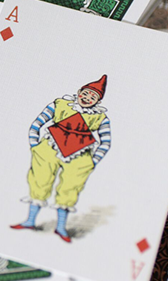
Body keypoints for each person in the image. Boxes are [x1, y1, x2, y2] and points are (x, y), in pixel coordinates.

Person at [11, 74, 111, 243]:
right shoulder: (60, 104)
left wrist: (93, 161)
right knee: (39, 180)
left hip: (79, 155)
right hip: (49, 148)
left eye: (93, 97)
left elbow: (106, 141)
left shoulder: (100, 117)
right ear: (79, 92)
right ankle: (30, 220)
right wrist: (35, 144)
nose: (87, 98)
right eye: (86, 93)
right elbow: (38, 122)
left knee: (71, 187)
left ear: (98, 101)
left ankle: (61, 227)